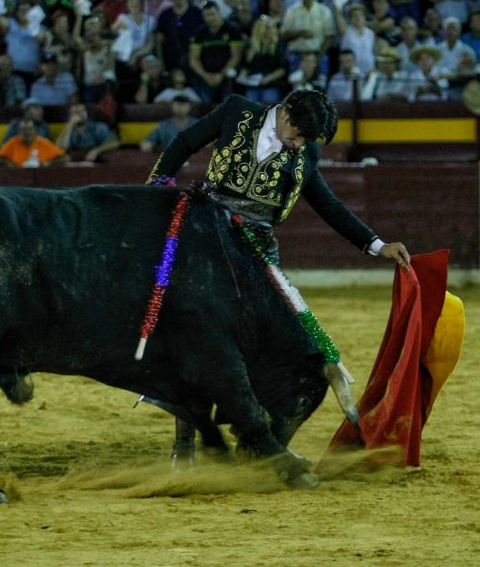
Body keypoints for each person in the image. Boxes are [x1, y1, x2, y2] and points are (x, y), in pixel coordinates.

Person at [145, 89, 410, 465]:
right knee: (189, 327)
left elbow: (327, 203)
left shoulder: (305, 153)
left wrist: (376, 244)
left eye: (305, 141)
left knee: (279, 336)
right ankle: (183, 446)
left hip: (259, 246)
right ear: (284, 114)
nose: (299, 145)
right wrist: (157, 188)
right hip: (208, 232)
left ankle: (256, 440)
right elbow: (184, 142)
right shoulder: (236, 111)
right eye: (298, 135)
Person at [56, 102, 121, 163]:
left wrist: (96, 151)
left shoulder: (98, 127)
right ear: (70, 116)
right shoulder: (69, 130)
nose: (80, 114)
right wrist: (69, 124)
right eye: (76, 112)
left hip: (96, 161)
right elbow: (60, 148)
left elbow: (114, 143)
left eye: (83, 111)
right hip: (75, 163)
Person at [0, 115, 66, 168]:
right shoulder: (13, 142)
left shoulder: (44, 143)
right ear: (19, 132)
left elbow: (64, 158)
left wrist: (49, 163)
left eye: (29, 129)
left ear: (35, 131)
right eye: (23, 129)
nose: (27, 132)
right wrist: (10, 164)